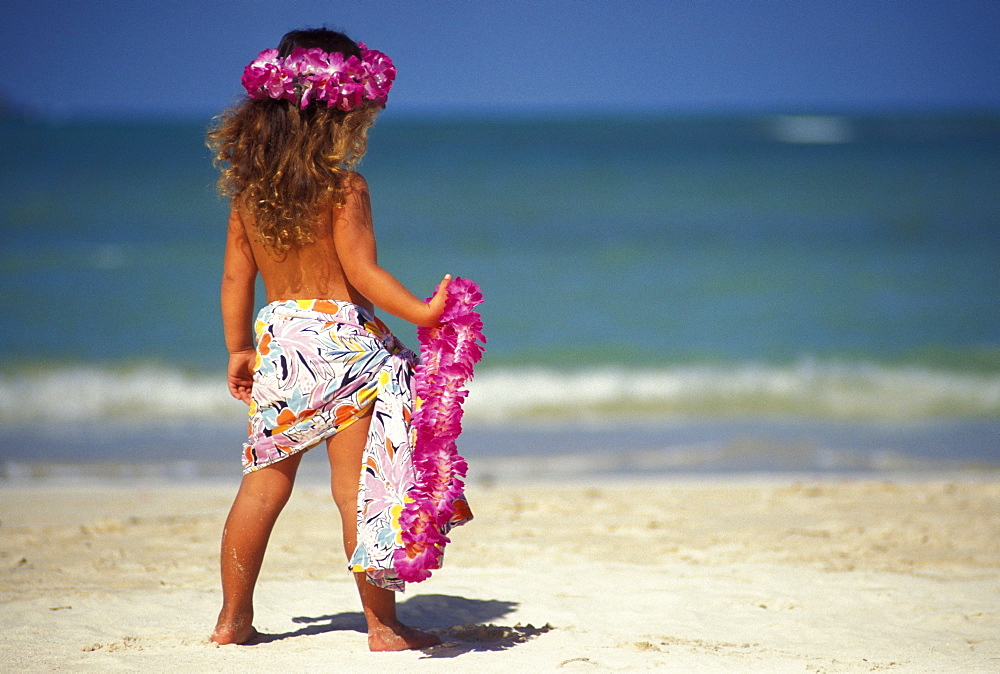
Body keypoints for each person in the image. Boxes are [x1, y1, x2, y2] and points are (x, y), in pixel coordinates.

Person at [206, 27, 449, 651]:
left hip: (281, 347)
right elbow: (363, 274)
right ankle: (381, 625)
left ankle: (232, 619)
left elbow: (237, 279)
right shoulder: (344, 188)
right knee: (357, 490)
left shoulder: (248, 195)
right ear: (341, 116)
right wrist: (424, 313)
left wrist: (238, 348)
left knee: (263, 483)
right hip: (342, 347)